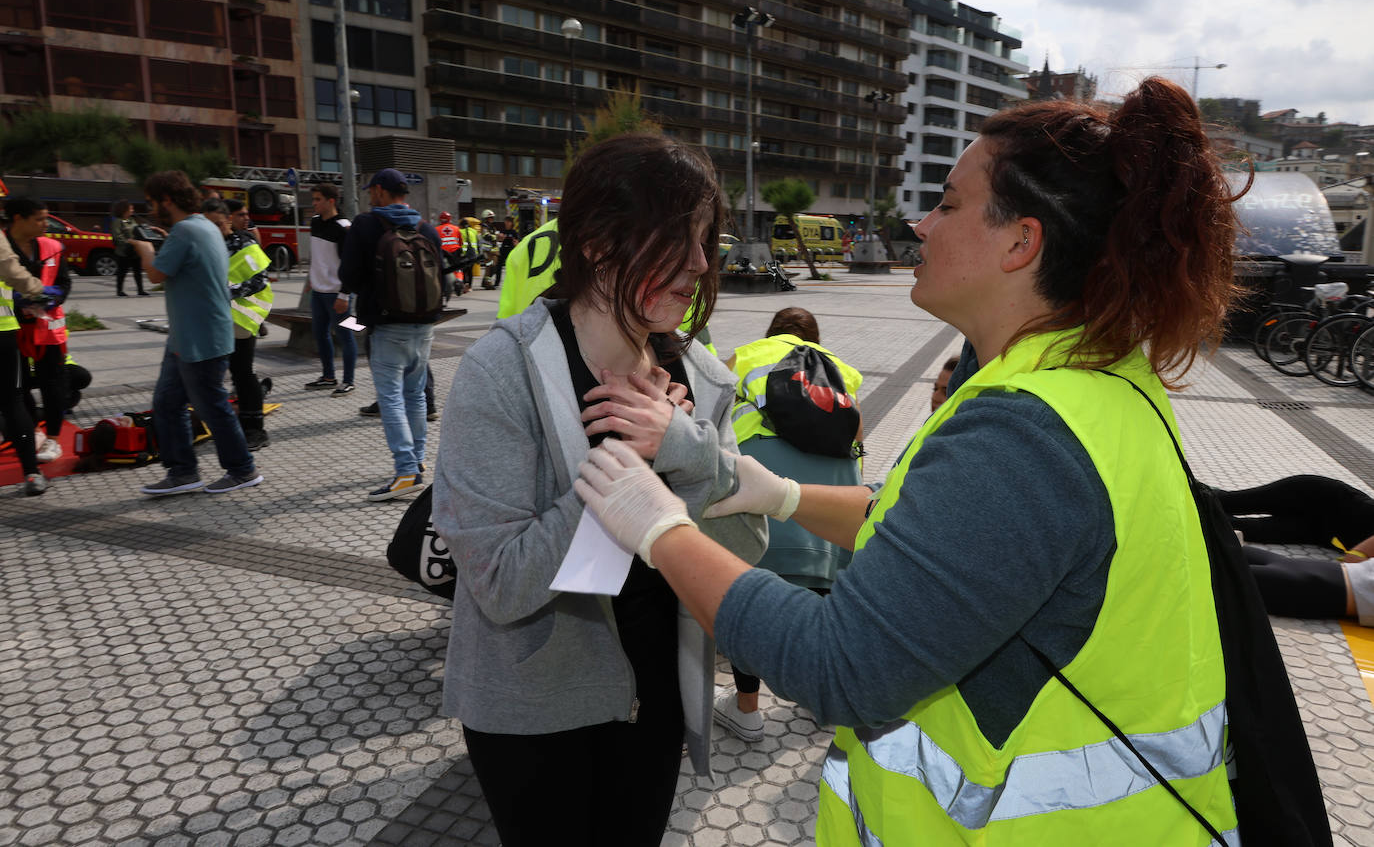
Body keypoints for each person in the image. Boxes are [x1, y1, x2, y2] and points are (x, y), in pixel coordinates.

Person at [576, 79, 1249, 843]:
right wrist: (782, 496)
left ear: (1021, 241)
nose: (921, 225)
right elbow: (944, 551)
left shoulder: (1024, 435)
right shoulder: (1085, 385)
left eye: (950, 204)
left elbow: (840, 666)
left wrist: (661, 529)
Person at [432, 132, 767, 847]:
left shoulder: (703, 379)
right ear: (597, 242)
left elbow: (746, 549)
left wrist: (685, 448)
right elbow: (501, 583)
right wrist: (630, 460)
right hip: (532, 706)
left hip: (656, 695)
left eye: (707, 239)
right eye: (678, 240)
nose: (702, 265)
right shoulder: (503, 371)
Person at [715, 306, 864, 742]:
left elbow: (708, 414)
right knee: (824, 604)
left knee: (749, 601)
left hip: (762, 492)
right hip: (830, 506)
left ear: (772, 332)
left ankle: (746, 712)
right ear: (814, 336)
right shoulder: (842, 371)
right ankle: (826, 705)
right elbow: (858, 438)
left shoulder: (746, 355)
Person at [131, 171, 261, 495]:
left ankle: (242, 469)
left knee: (210, 406)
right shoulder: (201, 225)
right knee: (167, 403)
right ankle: (182, 471)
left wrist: (145, 249)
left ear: (167, 200)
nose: (150, 208)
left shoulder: (186, 230)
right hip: (188, 336)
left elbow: (156, 274)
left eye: (152, 202)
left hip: (200, 338)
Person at [338, 168, 442, 502]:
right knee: (416, 396)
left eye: (371, 190)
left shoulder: (366, 225)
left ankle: (406, 471)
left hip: (386, 327)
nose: (370, 195)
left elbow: (349, 277)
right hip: (424, 326)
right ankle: (418, 463)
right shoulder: (425, 227)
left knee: (392, 399)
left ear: (381, 191)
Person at [1215, 475, 1374, 624]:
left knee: (1238, 527)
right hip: (1324, 499)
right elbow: (1353, 557)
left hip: (1317, 534)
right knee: (1228, 501)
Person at [0, 201, 62, 495]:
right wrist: (38, 290)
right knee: (12, 400)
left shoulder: (47, 244)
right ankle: (31, 474)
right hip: (2, 332)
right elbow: (10, 269)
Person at [202, 199, 273, 450]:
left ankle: (255, 429)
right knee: (220, 374)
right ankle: (228, 423)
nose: (211, 228)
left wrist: (228, 292)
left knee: (242, 372)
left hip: (241, 317)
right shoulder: (206, 244)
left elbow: (259, 281)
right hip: (215, 318)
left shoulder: (244, 243)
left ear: (226, 220)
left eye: (216, 223)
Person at [303, 184, 357, 395]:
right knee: (320, 333)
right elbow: (318, 256)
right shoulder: (315, 223)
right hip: (318, 291)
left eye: (318, 199)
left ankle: (349, 380)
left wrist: (344, 295)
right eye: (314, 199)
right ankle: (328, 377)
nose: (314, 203)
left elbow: (351, 265)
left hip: (337, 293)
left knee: (346, 335)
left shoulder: (344, 227)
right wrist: (311, 279)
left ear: (331, 201)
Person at [111, 200, 152, 297]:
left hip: (135, 249)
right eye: (130, 209)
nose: (132, 210)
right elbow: (117, 236)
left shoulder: (132, 220)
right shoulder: (117, 222)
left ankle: (140, 290)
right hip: (123, 251)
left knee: (137, 270)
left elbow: (137, 231)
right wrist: (128, 241)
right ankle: (119, 290)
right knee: (122, 271)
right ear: (123, 210)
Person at [491, 216, 518, 288]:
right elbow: (499, 240)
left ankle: (512, 282)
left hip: (510, 250)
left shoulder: (513, 232)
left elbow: (516, 242)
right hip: (503, 249)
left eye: (508, 222)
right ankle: (497, 282)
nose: (506, 223)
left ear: (511, 223)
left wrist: (515, 243)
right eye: (505, 221)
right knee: (498, 266)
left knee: (510, 267)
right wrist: (500, 237)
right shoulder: (503, 231)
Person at [458, 216, 481, 293]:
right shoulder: (474, 231)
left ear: (461, 225)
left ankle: (465, 284)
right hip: (473, 254)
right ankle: (470, 286)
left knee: (464, 270)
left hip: (464, 254)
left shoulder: (460, 231)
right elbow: (478, 243)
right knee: (470, 270)